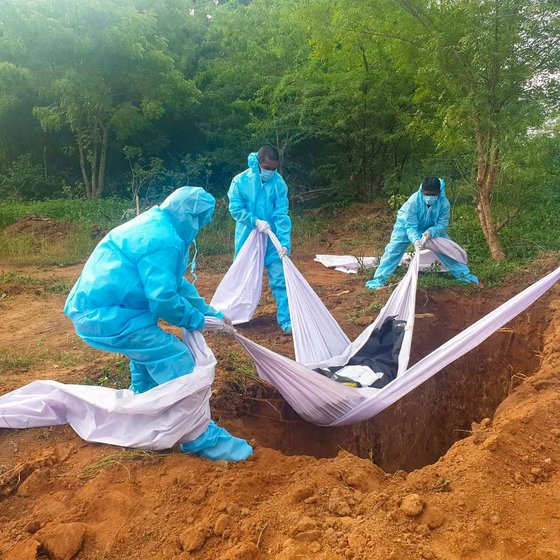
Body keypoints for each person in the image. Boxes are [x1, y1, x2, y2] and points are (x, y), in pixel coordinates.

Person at [64, 186, 252, 462]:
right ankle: (199, 436)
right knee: (175, 358)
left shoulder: (160, 226)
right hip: (106, 315)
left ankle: (144, 410)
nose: (199, 227)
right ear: (188, 215)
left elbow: (176, 284)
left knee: (146, 354)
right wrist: (197, 320)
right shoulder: (163, 239)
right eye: (199, 220)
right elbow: (163, 300)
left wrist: (211, 313)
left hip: (111, 310)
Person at [366, 177, 479, 290]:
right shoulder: (413, 202)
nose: (429, 197)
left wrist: (430, 232)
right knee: (394, 249)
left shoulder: (444, 204)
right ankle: (380, 278)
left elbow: (442, 223)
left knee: (446, 249)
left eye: (433, 194)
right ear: (421, 191)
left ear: (439, 193)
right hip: (405, 225)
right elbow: (410, 225)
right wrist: (415, 240)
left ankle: (464, 275)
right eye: (426, 194)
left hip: (431, 228)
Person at [228, 144, 292, 332]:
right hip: (248, 236)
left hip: (271, 238)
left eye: (274, 169)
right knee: (243, 278)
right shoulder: (240, 181)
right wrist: (255, 221)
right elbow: (235, 208)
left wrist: (284, 242)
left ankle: (287, 320)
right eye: (267, 168)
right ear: (258, 163)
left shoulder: (279, 184)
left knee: (280, 278)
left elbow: (281, 214)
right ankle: (236, 315)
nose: (270, 172)